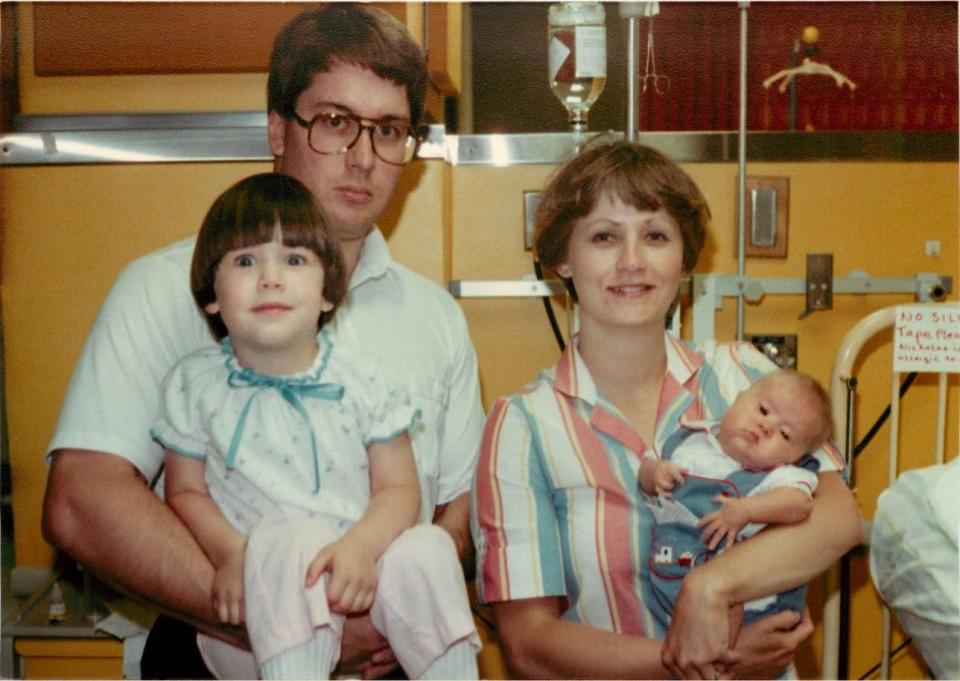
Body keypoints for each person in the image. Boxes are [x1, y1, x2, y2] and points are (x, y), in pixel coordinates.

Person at [42, 6, 485, 679]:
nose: (364, 157)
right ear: (277, 128)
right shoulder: (167, 287)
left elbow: (459, 510)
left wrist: (401, 612)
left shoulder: (434, 317)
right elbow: (82, 501)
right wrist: (281, 617)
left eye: (389, 130)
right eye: (336, 121)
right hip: (215, 647)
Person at [470, 138, 862, 679]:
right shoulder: (522, 427)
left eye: (655, 236)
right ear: (562, 256)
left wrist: (711, 586)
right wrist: (706, 664)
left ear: (683, 258)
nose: (632, 261)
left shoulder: (746, 375)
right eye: (604, 237)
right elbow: (529, 646)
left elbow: (840, 517)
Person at [154, 172, 479, 679]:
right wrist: (233, 556)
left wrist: (361, 547)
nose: (270, 277)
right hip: (252, 621)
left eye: (294, 259)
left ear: (329, 292)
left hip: (361, 595)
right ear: (210, 295)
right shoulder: (194, 385)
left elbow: (398, 489)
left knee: (428, 546)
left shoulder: (368, 379)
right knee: (292, 538)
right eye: (245, 260)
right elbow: (185, 492)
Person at [639, 369, 832, 644]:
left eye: (785, 434)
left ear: (794, 457)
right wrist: (655, 473)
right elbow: (645, 470)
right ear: (739, 397)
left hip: (740, 597)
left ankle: (722, 656)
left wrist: (746, 511)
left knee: (729, 607)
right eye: (763, 410)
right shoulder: (689, 440)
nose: (766, 427)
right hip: (670, 572)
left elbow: (798, 503)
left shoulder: (779, 475)